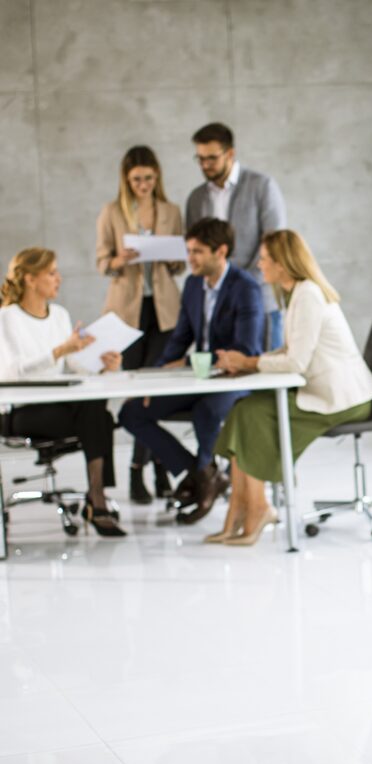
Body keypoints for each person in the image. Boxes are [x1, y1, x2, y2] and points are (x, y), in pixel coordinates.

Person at [208, 229, 372, 546]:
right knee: (242, 409)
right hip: (323, 390)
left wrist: (248, 363)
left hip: (341, 398)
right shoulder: (297, 293)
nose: (259, 265)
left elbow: (296, 362)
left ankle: (258, 508)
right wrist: (246, 360)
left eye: (264, 259)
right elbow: (291, 351)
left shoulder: (309, 295)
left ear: (282, 264)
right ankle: (241, 507)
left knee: (252, 414)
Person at [118, 218, 264, 525]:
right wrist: (153, 380)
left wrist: (195, 361)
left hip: (233, 380)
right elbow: (180, 339)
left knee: (207, 411)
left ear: (220, 251)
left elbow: (247, 349)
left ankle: (203, 473)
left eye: (197, 252)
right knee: (132, 412)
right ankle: (203, 474)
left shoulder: (246, 288)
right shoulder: (194, 284)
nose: (190, 258)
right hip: (199, 377)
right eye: (188, 250)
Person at [0, 248, 126, 537]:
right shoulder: (8, 318)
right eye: (52, 273)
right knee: (100, 419)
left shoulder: (59, 314)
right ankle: (97, 501)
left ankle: (97, 496)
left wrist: (102, 365)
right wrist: (59, 350)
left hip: (61, 405)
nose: (59, 279)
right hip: (23, 411)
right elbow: (10, 372)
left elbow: (72, 365)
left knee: (97, 410)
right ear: (30, 279)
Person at [95, 145, 185, 505]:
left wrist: (168, 256)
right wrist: (119, 258)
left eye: (149, 178)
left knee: (156, 392)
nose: (143, 185)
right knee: (136, 391)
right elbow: (101, 262)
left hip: (164, 308)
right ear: (126, 180)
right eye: (136, 179)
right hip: (126, 310)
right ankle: (146, 471)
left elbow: (182, 262)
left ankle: (150, 468)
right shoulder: (112, 212)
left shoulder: (171, 211)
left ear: (157, 177)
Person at [185, 122, 287, 351]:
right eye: (200, 159)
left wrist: (240, 284)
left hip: (259, 296)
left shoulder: (262, 186)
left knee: (267, 378)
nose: (205, 165)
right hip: (217, 304)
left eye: (211, 158)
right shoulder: (196, 198)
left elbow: (274, 242)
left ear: (230, 153)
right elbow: (195, 248)